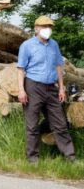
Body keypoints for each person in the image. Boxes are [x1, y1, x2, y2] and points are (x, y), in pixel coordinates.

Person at [17, 15, 76, 163]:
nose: (47, 29)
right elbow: (21, 69)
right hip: (33, 87)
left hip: (52, 88)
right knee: (32, 125)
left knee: (60, 124)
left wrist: (61, 88)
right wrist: (21, 90)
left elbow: (58, 66)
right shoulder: (27, 45)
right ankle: (33, 159)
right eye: (44, 27)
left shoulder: (54, 45)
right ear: (36, 28)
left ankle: (70, 157)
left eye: (49, 27)